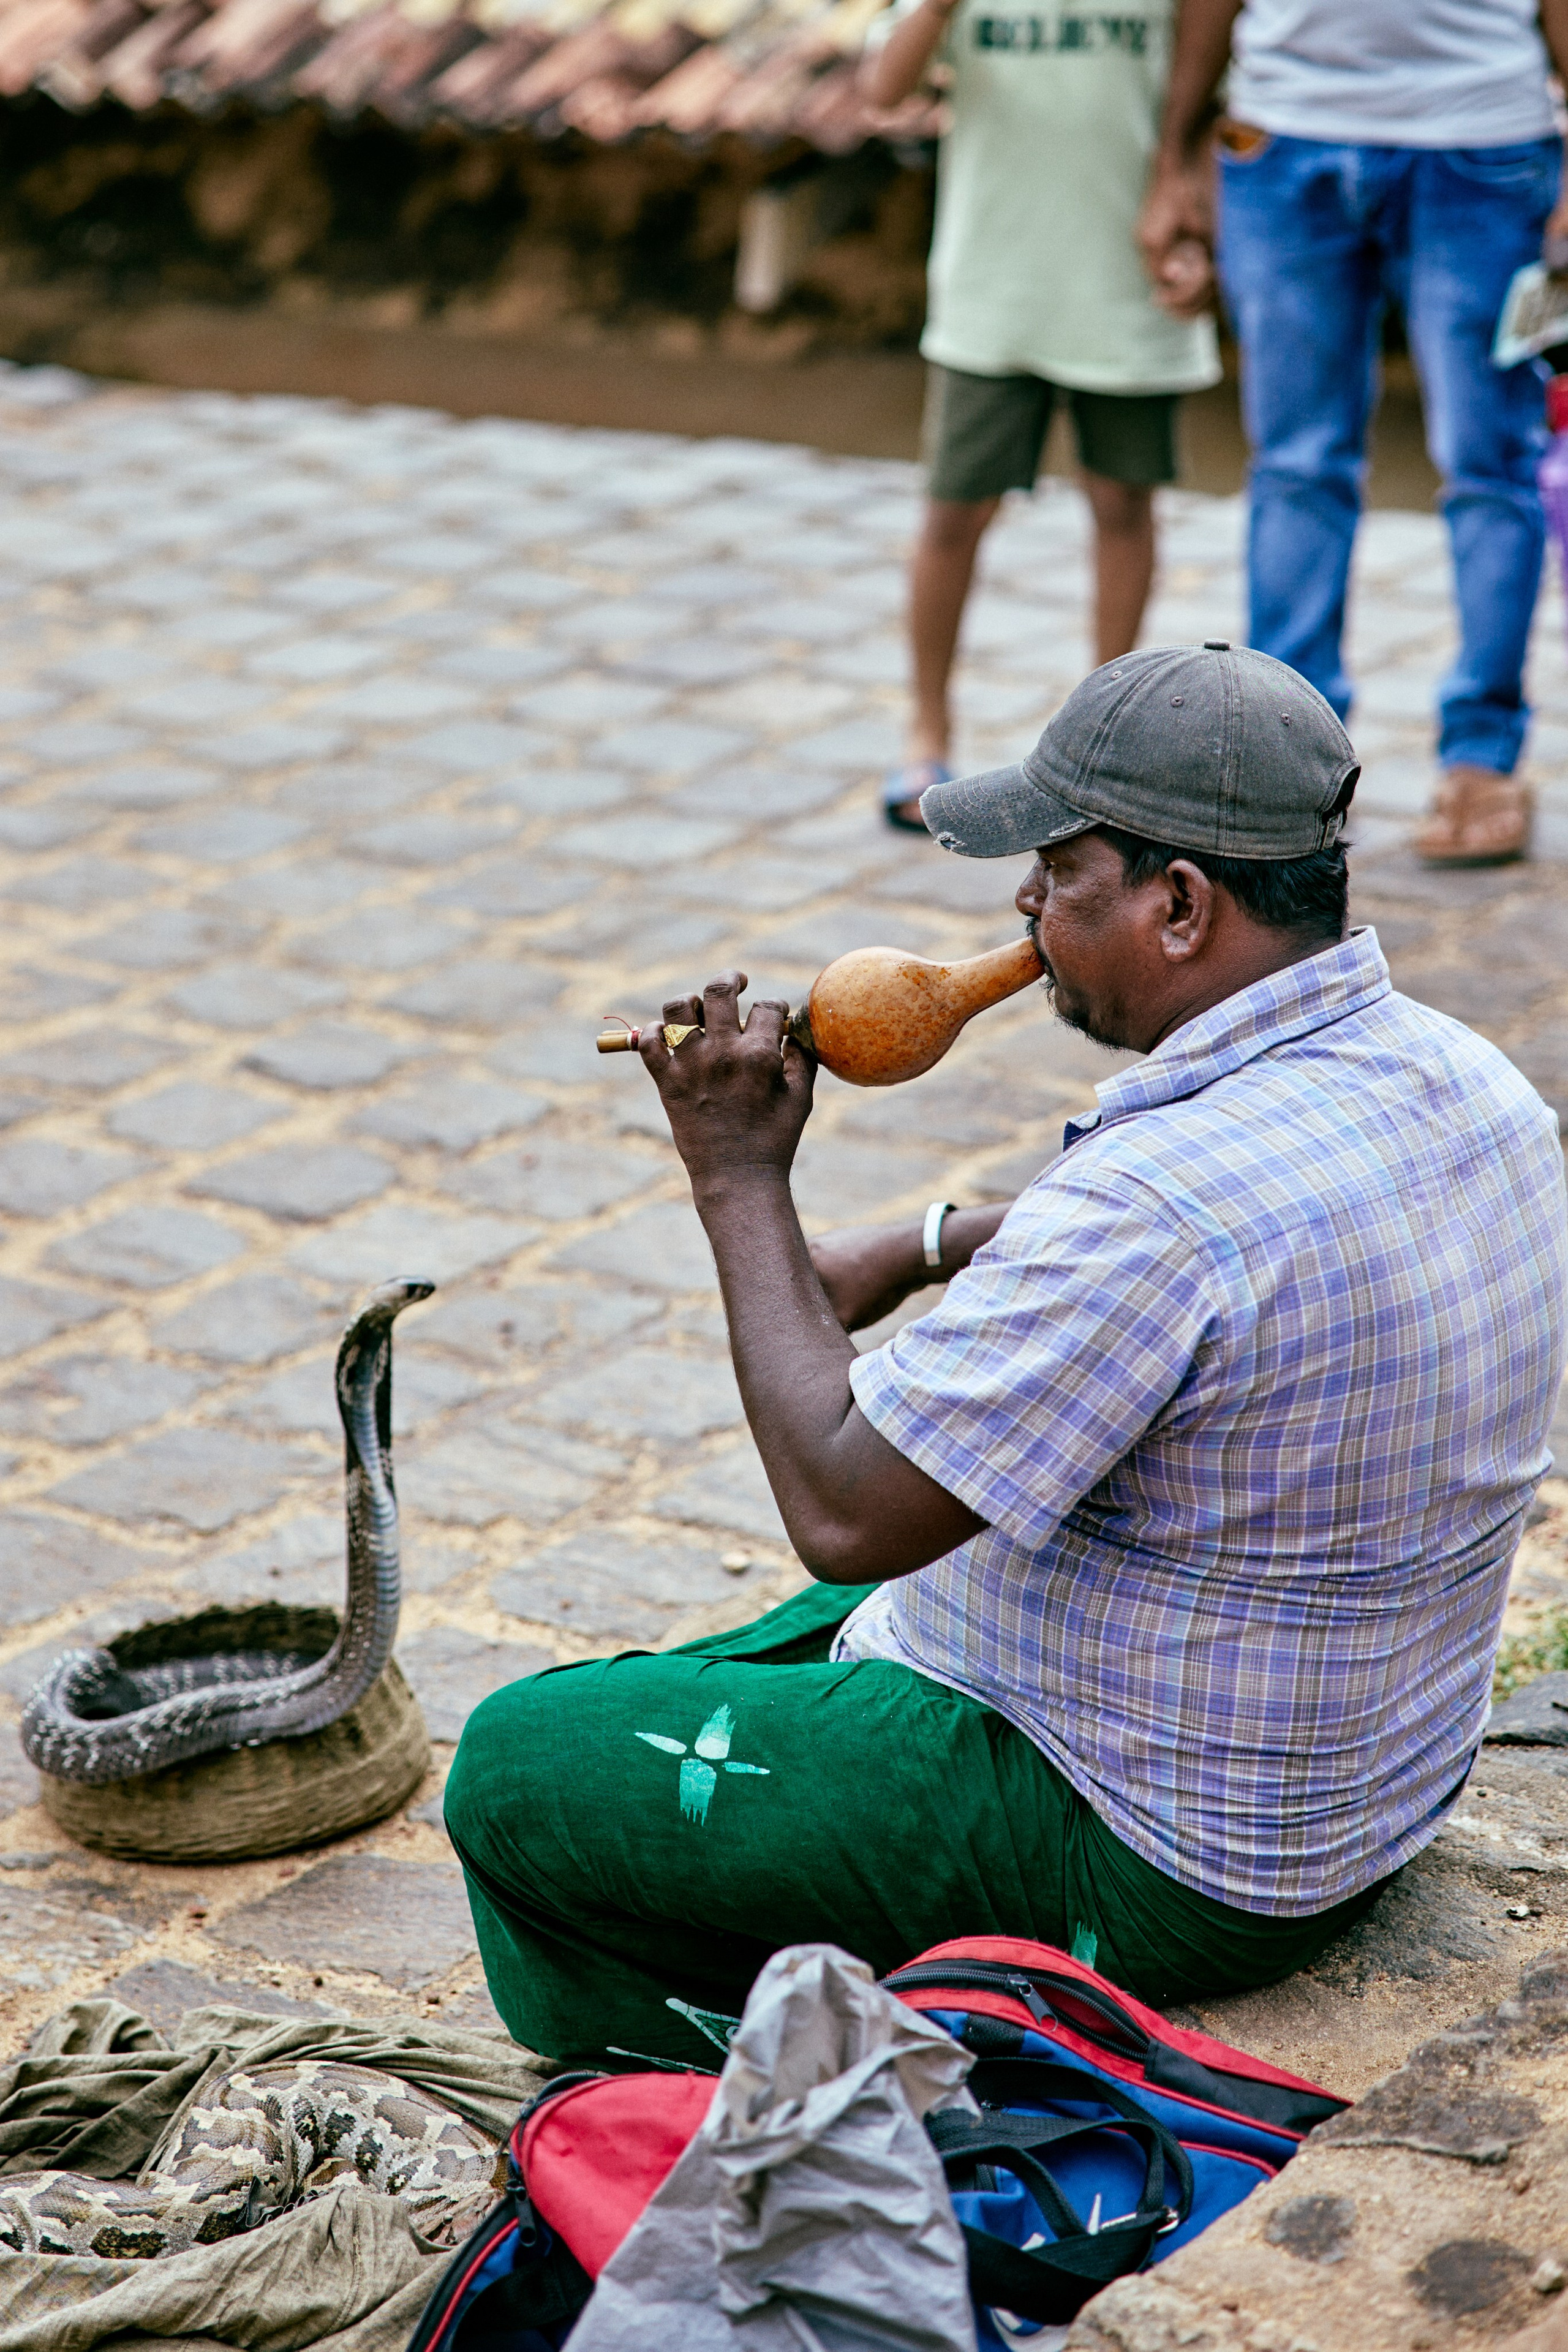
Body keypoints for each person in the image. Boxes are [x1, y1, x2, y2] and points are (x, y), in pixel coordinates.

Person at [444, 644, 1567, 2070]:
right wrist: (926, 1238)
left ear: (1176, 907)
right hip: (1352, 1784)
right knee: (735, 1664)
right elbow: (1249, 1240)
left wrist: (737, 1178)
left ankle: (754, 2052)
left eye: (1059, 870)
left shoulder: (1155, 1205)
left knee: (518, 1767)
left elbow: (844, 1512)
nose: (1023, 906)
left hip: (1159, 1856)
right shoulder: (1467, 1081)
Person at [1139, 0, 1568, 865]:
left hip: (1482, 138)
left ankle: (1481, 757)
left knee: (1494, 460)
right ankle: (1290, 765)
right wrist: (1174, 156)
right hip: (1282, 133)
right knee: (1296, 463)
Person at [863, 0, 1221, 829]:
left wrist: (1200, 228)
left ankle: (1104, 745)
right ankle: (927, 725)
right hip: (995, 294)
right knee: (953, 513)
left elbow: (1201, 105)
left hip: (1126, 285)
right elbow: (883, 89)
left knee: (1123, 505)